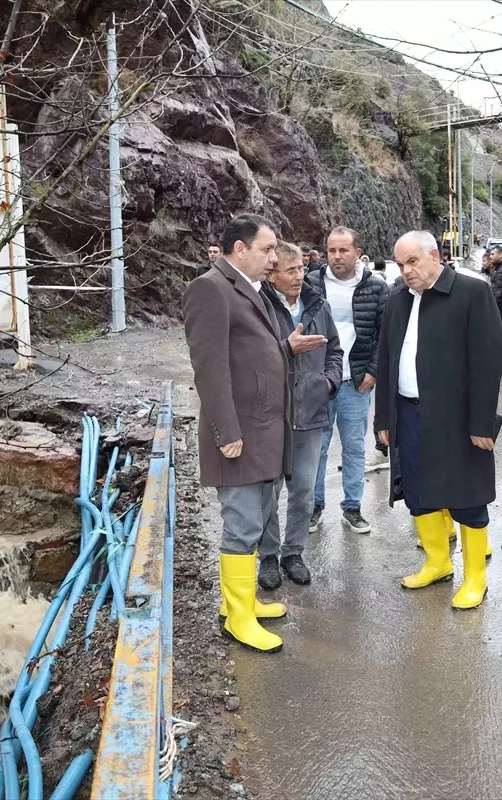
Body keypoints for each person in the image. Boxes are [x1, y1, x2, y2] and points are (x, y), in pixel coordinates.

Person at [375, 231, 502, 609]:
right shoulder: (397, 300)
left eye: (412, 262)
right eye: (400, 265)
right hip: (407, 412)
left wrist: (482, 424)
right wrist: (384, 418)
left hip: (457, 418)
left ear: (435, 255)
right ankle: (437, 563)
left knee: (467, 496)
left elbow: (488, 361)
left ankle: (475, 578)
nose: (406, 271)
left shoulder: (471, 292)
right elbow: (385, 362)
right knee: (417, 490)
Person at [183, 214, 292, 654]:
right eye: (267, 250)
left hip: (262, 429)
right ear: (239, 248)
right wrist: (226, 431)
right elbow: (209, 369)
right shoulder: (210, 288)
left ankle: (241, 602)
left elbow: (252, 352)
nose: (273, 258)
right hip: (240, 434)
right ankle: (238, 618)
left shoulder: (250, 288)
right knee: (243, 524)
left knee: (259, 514)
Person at [257, 242, 343, 589]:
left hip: (310, 412)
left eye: (301, 269)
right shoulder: (259, 305)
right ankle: (268, 557)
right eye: (290, 270)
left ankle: (293, 553)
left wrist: (329, 382)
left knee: (304, 490)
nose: (298, 276)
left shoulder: (316, 304)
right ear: (272, 273)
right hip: (272, 416)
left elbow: (335, 349)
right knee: (268, 490)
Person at [305, 227, 391, 534]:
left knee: (354, 447)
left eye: (343, 250)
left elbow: (385, 335)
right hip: (319, 381)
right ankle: (313, 508)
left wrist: (374, 370)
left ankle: (352, 508)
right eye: (331, 250)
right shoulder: (311, 283)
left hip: (355, 382)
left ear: (357, 253)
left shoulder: (377, 287)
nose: (337, 256)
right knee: (317, 447)